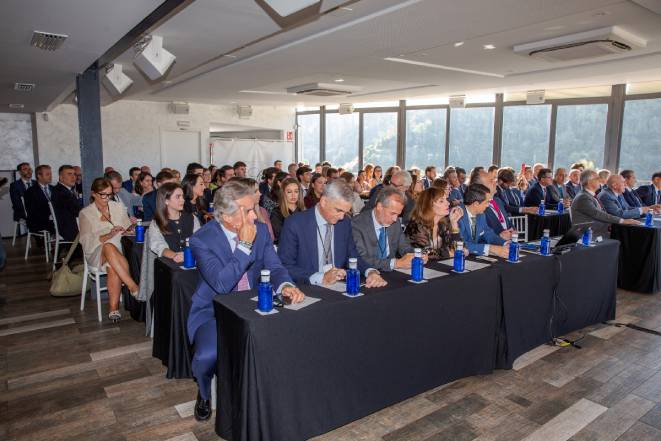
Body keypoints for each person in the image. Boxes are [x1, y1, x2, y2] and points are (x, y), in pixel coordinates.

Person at [186, 181, 305, 421]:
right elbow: (221, 284)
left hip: (254, 304)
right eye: (249, 210)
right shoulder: (202, 239)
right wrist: (244, 245)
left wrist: (286, 285)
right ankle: (204, 392)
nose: (255, 216)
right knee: (206, 356)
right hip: (214, 310)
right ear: (227, 217)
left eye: (255, 208)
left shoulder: (260, 230)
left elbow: (275, 267)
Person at [277, 179, 388, 287]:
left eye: (346, 212)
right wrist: (320, 277)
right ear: (324, 202)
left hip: (337, 285)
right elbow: (285, 265)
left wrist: (370, 272)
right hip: (307, 287)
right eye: (339, 210)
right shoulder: (295, 223)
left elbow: (353, 256)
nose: (341, 217)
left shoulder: (345, 222)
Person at [79, 178, 138, 322]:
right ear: (93, 194)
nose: (106, 198)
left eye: (109, 194)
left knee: (112, 266)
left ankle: (113, 309)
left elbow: (127, 229)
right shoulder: (86, 213)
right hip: (96, 251)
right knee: (108, 246)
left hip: (118, 251)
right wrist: (108, 235)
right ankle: (133, 286)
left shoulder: (118, 206)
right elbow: (86, 242)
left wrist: (130, 228)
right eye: (103, 194)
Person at [352, 187, 420, 272]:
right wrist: (395, 263)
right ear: (379, 206)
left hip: (391, 272)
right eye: (392, 213)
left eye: (398, 215)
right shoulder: (357, 224)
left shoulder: (395, 223)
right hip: (368, 273)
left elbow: (404, 247)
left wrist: (417, 255)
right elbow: (361, 260)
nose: (395, 219)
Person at [570, 170, 640, 238]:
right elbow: (598, 214)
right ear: (589, 182)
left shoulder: (590, 195)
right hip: (589, 236)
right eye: (597, 178)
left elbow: (603, 213)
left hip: (599, 231)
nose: (599, 180)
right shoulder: (583, 197)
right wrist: (622, 221)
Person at [405, 187, 466, 260]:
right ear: (429, 206)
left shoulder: (443, 224)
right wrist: (448, 253)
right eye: (441, 201)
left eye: (446, 199)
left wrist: (454, 223)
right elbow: (422, 253)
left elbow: (458, 248)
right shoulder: (416, 225)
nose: (448, 203)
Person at [149, 182, 201, 263]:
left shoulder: (192, 218)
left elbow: (198, 241)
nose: (182, 200)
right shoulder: (157, 222)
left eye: (182, 196)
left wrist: (189, 255)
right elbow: (158, 245)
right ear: (166, 201)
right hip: (170, 264)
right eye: (178, 197)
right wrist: (174, 255)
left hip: (192, 260)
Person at [457, 184, 509, 258]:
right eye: (487, 202)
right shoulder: (457, 215)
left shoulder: (481, 215)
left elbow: (489, 234)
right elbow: (460, 244)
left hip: (472, 258)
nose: (488, 205)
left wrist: (505, 243)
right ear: (476, 204)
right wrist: (490, 248)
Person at [470, 169, 514, 238]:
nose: (496, 183)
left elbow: (506, 221)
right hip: (495, 244)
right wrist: (499, 237)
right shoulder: (477, 206)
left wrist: (513, 230)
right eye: (491, 181)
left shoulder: (497, 200)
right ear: (480, 186)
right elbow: (476, 238)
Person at [270, 177, 305, 244]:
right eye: (289, 192)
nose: (293, 195)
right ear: (283, 193)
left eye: (296, 191)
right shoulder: (277, 212)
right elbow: (281, 236)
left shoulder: (303, 211)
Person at [51, 165, 82, 241]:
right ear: (61, 177)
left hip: (70, 225)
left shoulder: (63, 190)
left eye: (74, 174)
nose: (73, 177)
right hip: (69, 229)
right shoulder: (62, 192)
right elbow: (77, 211)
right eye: (69, 174)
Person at [23, 164, 55, 235]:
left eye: (50, 174)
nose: (50, 176)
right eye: (47, 174)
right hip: (39, 221)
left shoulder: (54, 189)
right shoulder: (30, 192)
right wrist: (50, 215)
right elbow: (32, 212)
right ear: (39, 176)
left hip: (54, 218)